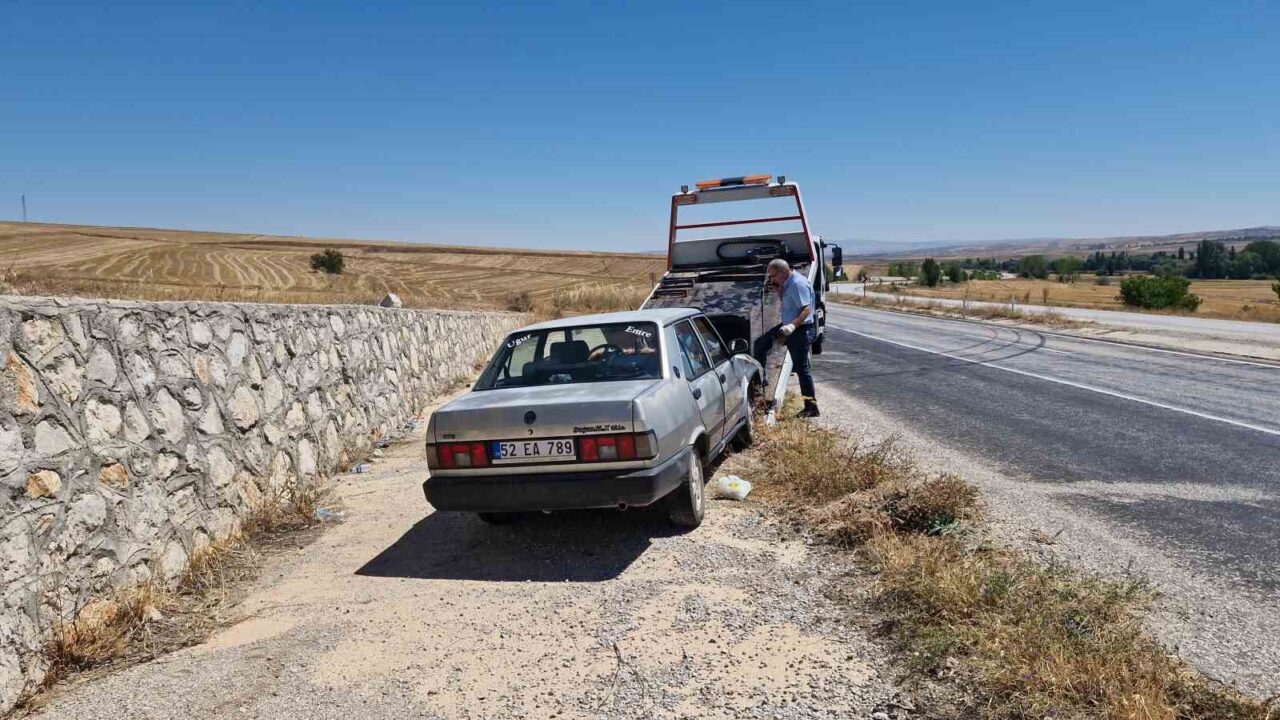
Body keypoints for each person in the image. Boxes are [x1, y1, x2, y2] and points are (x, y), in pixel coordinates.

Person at [753, 258, 819, 418]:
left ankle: (811, 407)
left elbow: (806, 309)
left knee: (802, 368)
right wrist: (778, 288)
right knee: (760, 344)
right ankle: (763, 381)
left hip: (800, 329)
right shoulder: (786, 283)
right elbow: (788, 304)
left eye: (773, 276)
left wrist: (792, 327)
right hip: (788, 325)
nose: (771, 279)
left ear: (783, 271)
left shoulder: (797, 284)